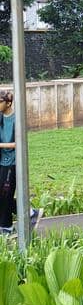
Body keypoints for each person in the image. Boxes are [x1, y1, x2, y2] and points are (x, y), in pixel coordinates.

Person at [0, 91, 38, 234]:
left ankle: (6, 227)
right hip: (2, 161)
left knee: (5, 194)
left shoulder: (17, 119)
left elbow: (19, 143)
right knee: (3, 195)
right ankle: (29, 212)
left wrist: (1, 145)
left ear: (8, 103)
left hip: (13, 161)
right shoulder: (0, 117)